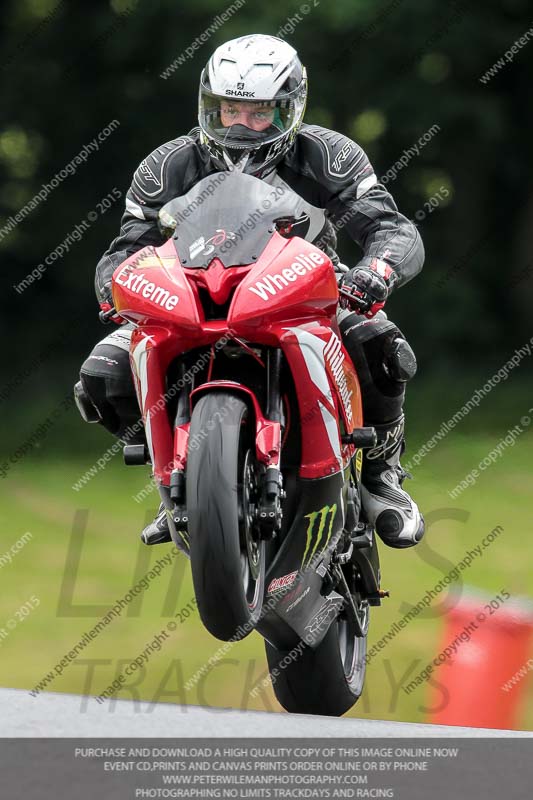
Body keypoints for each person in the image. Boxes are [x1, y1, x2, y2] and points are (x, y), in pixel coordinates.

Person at [76, 34, 425, 549]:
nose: (241, 125)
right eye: (228, 110)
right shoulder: (166, 166)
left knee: (382, 345)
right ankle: (179, 484)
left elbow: (391, 227)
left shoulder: (328, 156)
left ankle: (382, 475)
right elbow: (125, 248)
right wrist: (115, 290)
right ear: (206, 105)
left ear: (291, 109)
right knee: (100, 377)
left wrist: (377, 268)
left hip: (305, 295)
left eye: (260, 113)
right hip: (190, 297)